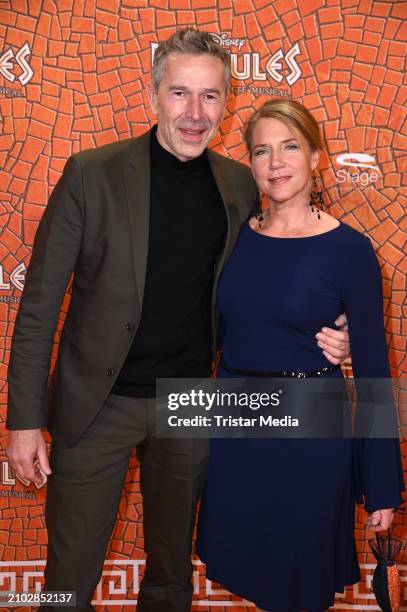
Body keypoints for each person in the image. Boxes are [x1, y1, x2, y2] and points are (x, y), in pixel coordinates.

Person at [6, 31, 350, 612]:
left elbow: (287, 260)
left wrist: (332, 326)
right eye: (181, 94)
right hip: (96, 405)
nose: (195, 113)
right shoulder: (92, 175)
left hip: (191, 403)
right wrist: (23, 421)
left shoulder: (240, 184)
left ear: (226, 102)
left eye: (210, 96)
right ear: (154, 94)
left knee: (170, 580)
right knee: (66, 582)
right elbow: (38, 304)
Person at [196, 99, 404, 612]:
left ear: (315, 156)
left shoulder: (350, 250)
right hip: (237, 427)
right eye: (262, 151)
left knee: (300, 583)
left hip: (311, 433)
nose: (275, 163)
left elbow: (374, 370)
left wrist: (382, 485)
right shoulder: (234, 236)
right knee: (248, 573)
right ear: (249, 163)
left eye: (290, 146)